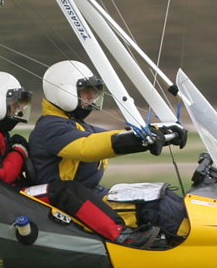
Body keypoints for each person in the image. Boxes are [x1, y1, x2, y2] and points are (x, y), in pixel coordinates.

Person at [24, 60, 174, 248]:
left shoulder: (76, 124)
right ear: (64, 92)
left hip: (88, 196)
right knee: (154, 208)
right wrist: (139, 140)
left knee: (160, 198)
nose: (91, 96)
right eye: (86, 91)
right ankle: (123, 236)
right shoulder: (50, 127)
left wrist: (165, 131)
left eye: (94, 91)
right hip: (62, 201)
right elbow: (88, 147)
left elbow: (111, 135)